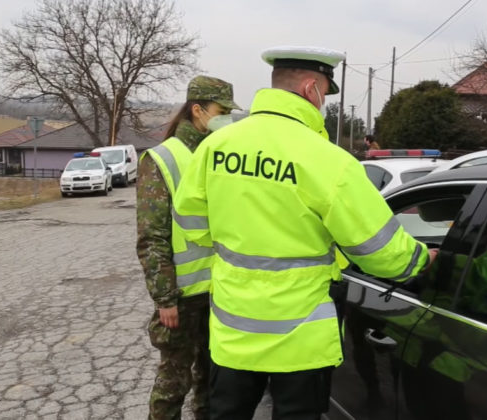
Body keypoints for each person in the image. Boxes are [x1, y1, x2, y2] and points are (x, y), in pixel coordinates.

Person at [173, 46, 437, 420]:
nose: (322, 104)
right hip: (300, 340)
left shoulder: (216, 146)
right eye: (325, 94)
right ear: (311, 88)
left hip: (233, 330)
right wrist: (419, 261)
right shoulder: (328, 160)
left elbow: (190, 224)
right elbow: (378, 248)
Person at [136, 75, 241, 420]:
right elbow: (152, 236)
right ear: (197, 111)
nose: (225, 117)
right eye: (220, 110)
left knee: (212, 382)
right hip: (182, 296)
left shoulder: (222, 153)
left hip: (220, 292)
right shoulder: (163, 158)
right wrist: (164, 297)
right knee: (172, 386)